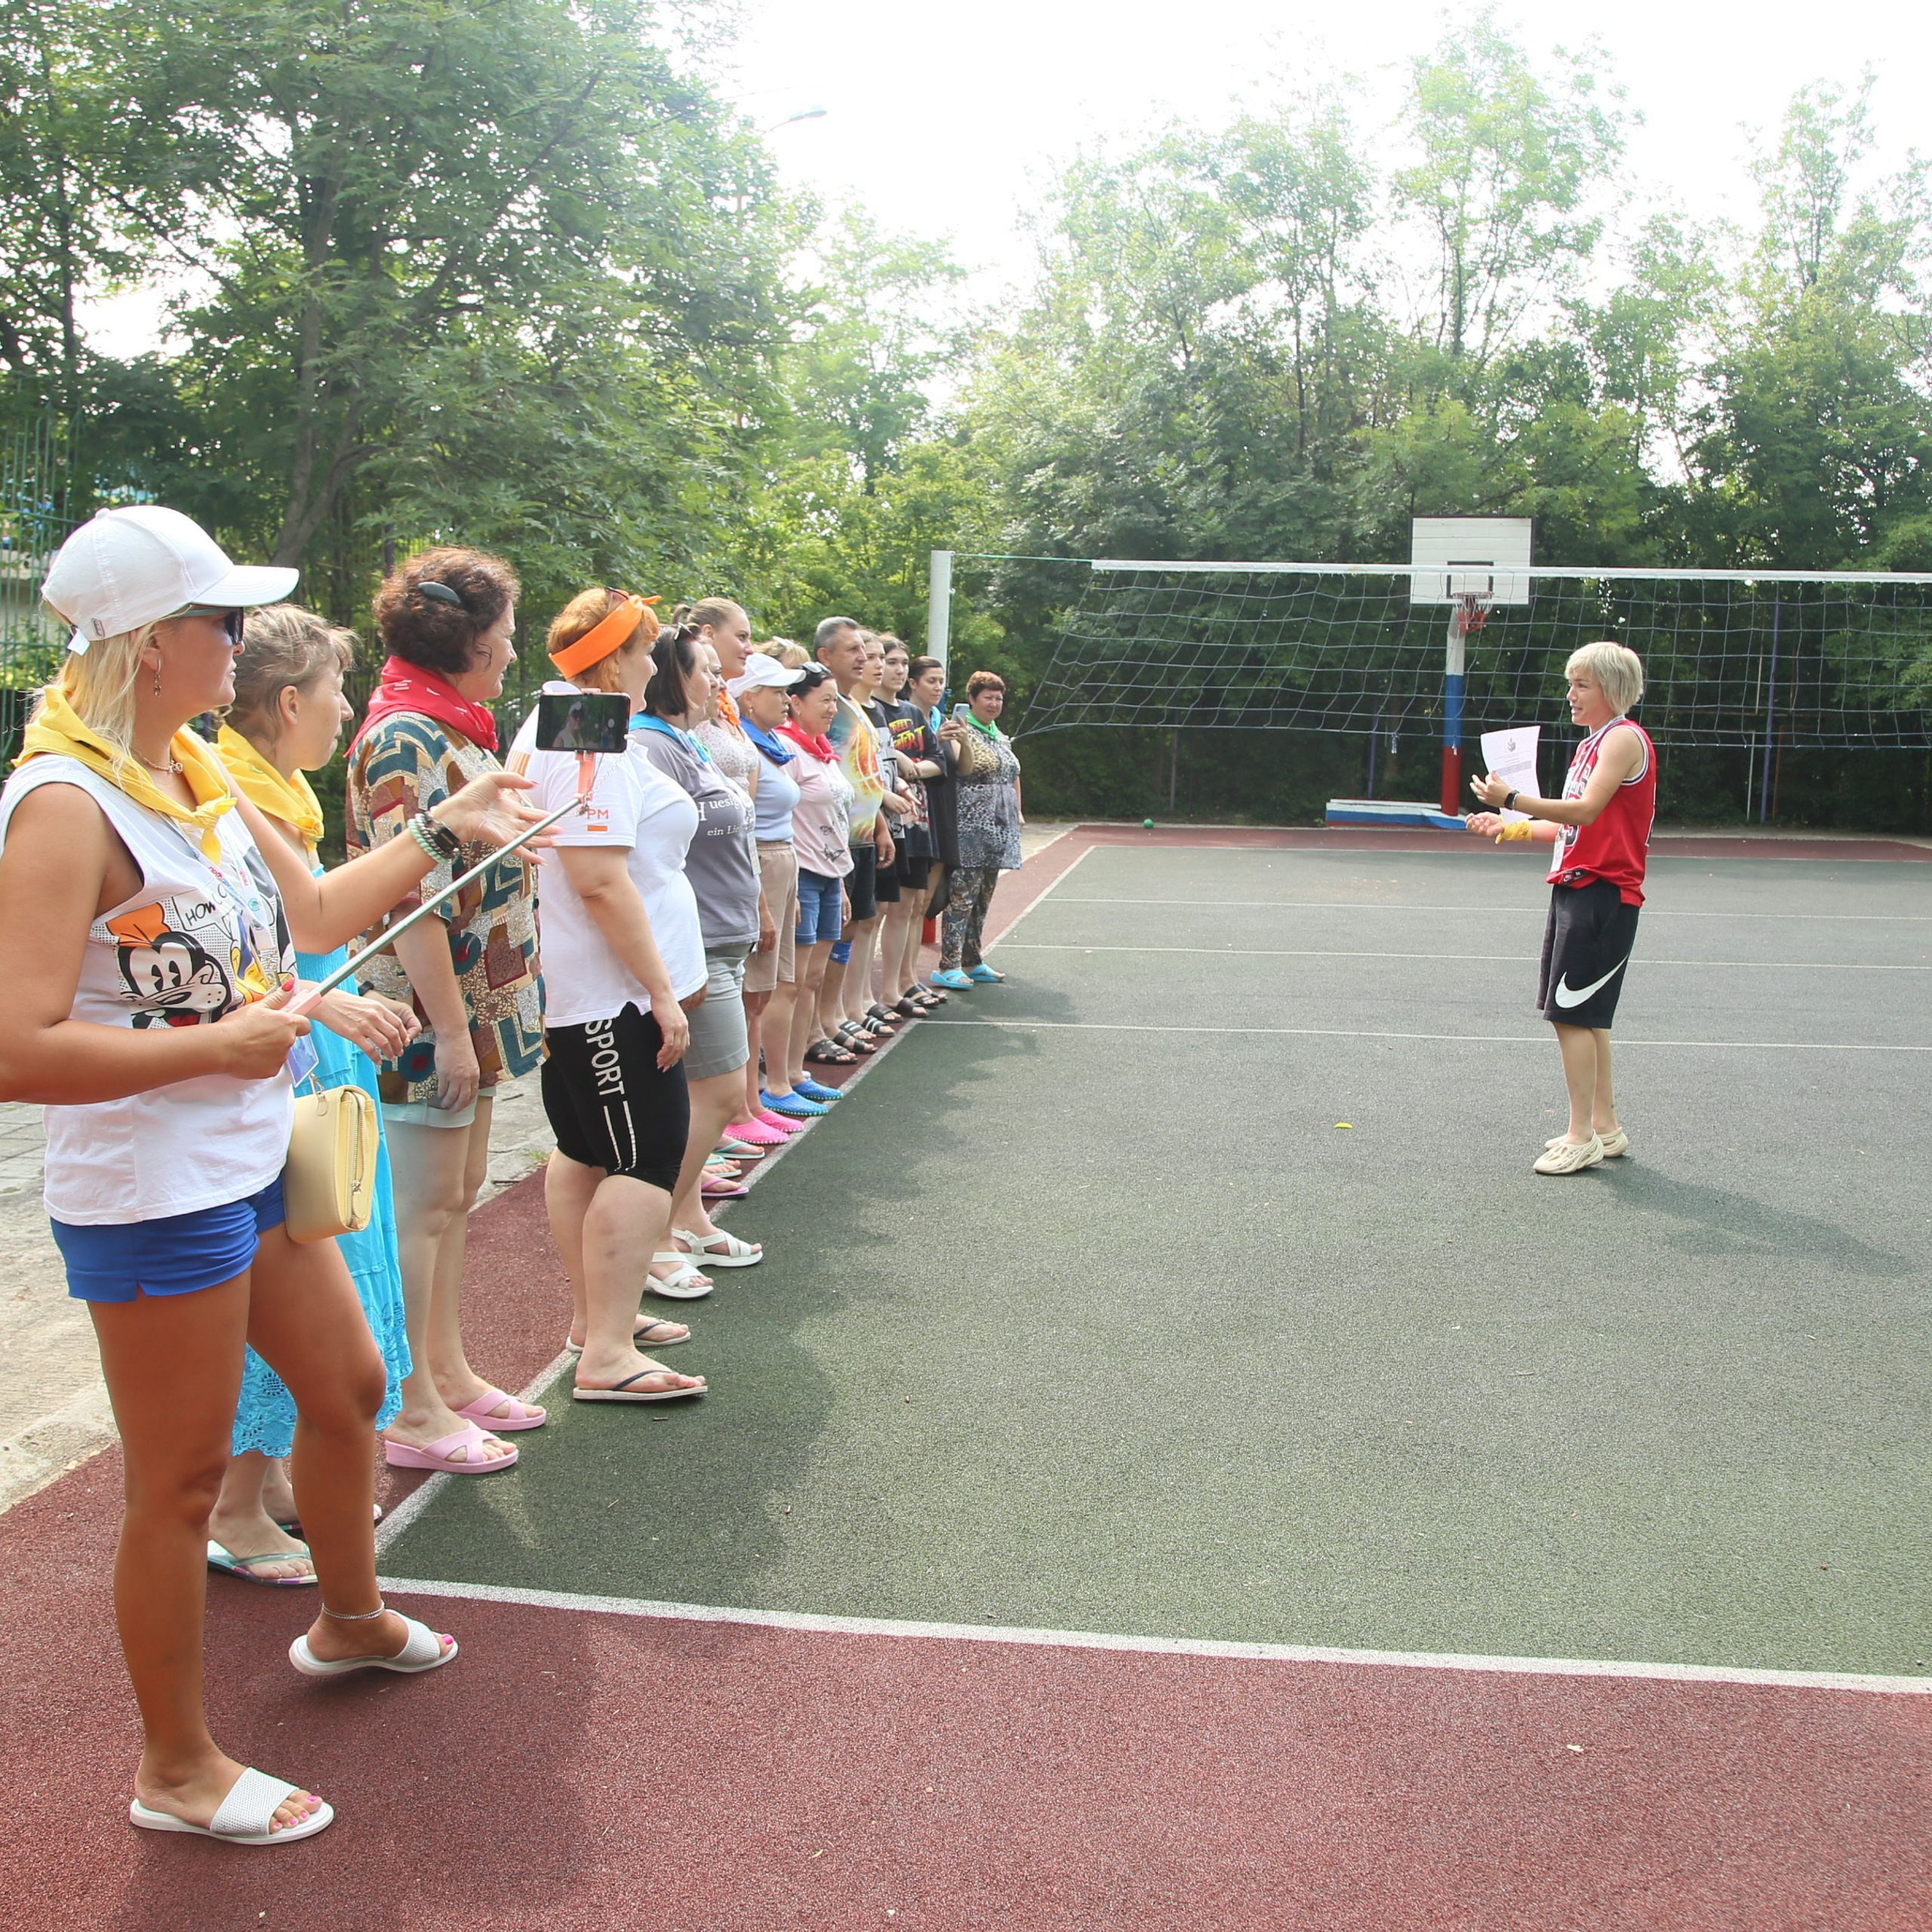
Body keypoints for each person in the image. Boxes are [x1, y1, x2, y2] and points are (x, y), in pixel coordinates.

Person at [0, 505, 548, 1843]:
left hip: (251, 1160)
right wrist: (227, 1041)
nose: (240, 646)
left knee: (354, 1385)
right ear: (142, 642)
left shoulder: (196, 768)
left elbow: (304, 921)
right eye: (220, 621)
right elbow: (15, 1047)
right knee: (179, 1487)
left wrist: (448, 829)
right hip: (152, 1192)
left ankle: (350, 1620)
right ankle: (174, 1769)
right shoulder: (64, 804)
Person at [209, 607, 417, 1586]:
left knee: (327, 1267)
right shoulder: (224, 804)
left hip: (312, 1055)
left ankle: (283, 1478)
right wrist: (326, 1001)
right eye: (335, 692)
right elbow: (252, 956)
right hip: (273, 1065)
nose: (346, 711)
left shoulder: (279, 793)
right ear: (288, 701)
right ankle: (233, 1505)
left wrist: (336, 995)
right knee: (280, 1290)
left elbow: (304, 939)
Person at [346, 548, 547, 1473]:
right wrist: (454, 1031)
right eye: (503, 632)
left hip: (475, 1001)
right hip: (427, 1015)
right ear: (466, 638)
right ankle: (410, 1405)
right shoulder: (404, 736)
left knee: (455, 1200)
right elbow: (406, 899)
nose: (512, 649)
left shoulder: (452, 726)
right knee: (419, 1211)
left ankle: (448, 1370)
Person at [506, 589, 709, 1394]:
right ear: (614, 658)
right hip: (603, 995)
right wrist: (659, 991)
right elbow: (596, 876)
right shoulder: (589, 727)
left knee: (587, 1151)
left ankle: (601, 1322)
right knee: (648, 1154)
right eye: (645, 648)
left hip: (581, 988)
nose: (654, 662)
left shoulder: (556, 718)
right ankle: (607, 1355)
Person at [1466, 641, 1655, 1176]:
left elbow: (1588, 811)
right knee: (1588, 1019)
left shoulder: (1622, 738)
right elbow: (1568, 824)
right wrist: (1510, 826)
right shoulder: (1591, 746)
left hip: (1604, 894)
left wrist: (1512, 800)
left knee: (1571, 1015)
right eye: (1570, 684)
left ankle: (1580, 1137)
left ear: (1611, 690)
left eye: (1581, 685)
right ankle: (1604, 1128)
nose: (1570, 695)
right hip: (1578, 889)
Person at [632, 622, 767, 1281]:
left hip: (727, 932)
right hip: (695, 943)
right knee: (715, 1095)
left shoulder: (689, 742)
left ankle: (689, 1218)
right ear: (670, 675)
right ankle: (651, 1237)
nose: (720, 682)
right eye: (707, 670)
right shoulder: (647, 745)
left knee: (709, 1095)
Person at [771, 663, 854, 1118]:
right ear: (796, 702)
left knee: (814, 980)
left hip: (829, 876)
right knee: (792, 981)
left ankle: (797, 1071)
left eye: (836, 699)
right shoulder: (786, 748)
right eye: (824, 699)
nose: (833, 708)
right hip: (801, 874)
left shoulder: (823, 750)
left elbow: (834, 823)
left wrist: (840, 880)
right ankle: (778, 1080)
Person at [730, 652, 808, 1141]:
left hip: (782, 861)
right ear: (748, 696)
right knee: (748, 992)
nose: (787, 699)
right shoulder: (746, 746)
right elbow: (746, 823)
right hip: (760, 863)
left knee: (762, 994)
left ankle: (753, 1100)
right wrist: (762, 897)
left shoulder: (772, 744)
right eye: (776, 691)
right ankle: (739, 1107)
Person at [811, 617, 894, 1055]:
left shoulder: (855, 704)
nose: (863, 657)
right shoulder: (827, 708)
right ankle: (821, 1022)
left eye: (865, 649)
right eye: (853, 650)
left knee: (848, 931)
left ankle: (834, 1014)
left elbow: (864, 774)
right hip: (833, 840)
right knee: (830, 935)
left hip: (861, 836)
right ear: (826, 657)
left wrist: (879, 824)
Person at [933, 670, 1024, 989]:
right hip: (969, 827)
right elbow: (959, 768)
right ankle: (949, 964)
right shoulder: (962, 730)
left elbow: (1013, 775)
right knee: (962, 897)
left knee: (984, 897)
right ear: (971, 700)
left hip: (999, 830)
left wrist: (1019, 811)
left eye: (999, 698)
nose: (994, 703)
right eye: (988, 697)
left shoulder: (1000, 735)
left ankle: (973, 959)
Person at [876, 644, 946, 1016]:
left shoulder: (911, 713)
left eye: (904, 663)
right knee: (889, 907)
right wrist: (897, 764)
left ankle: (906, 979)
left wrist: (914, 769)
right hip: (887, 817)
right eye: (891, 662)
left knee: (913, 904)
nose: (899, 669)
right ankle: (889, 987)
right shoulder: (868, 712)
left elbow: (938, 761)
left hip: (918, 816)